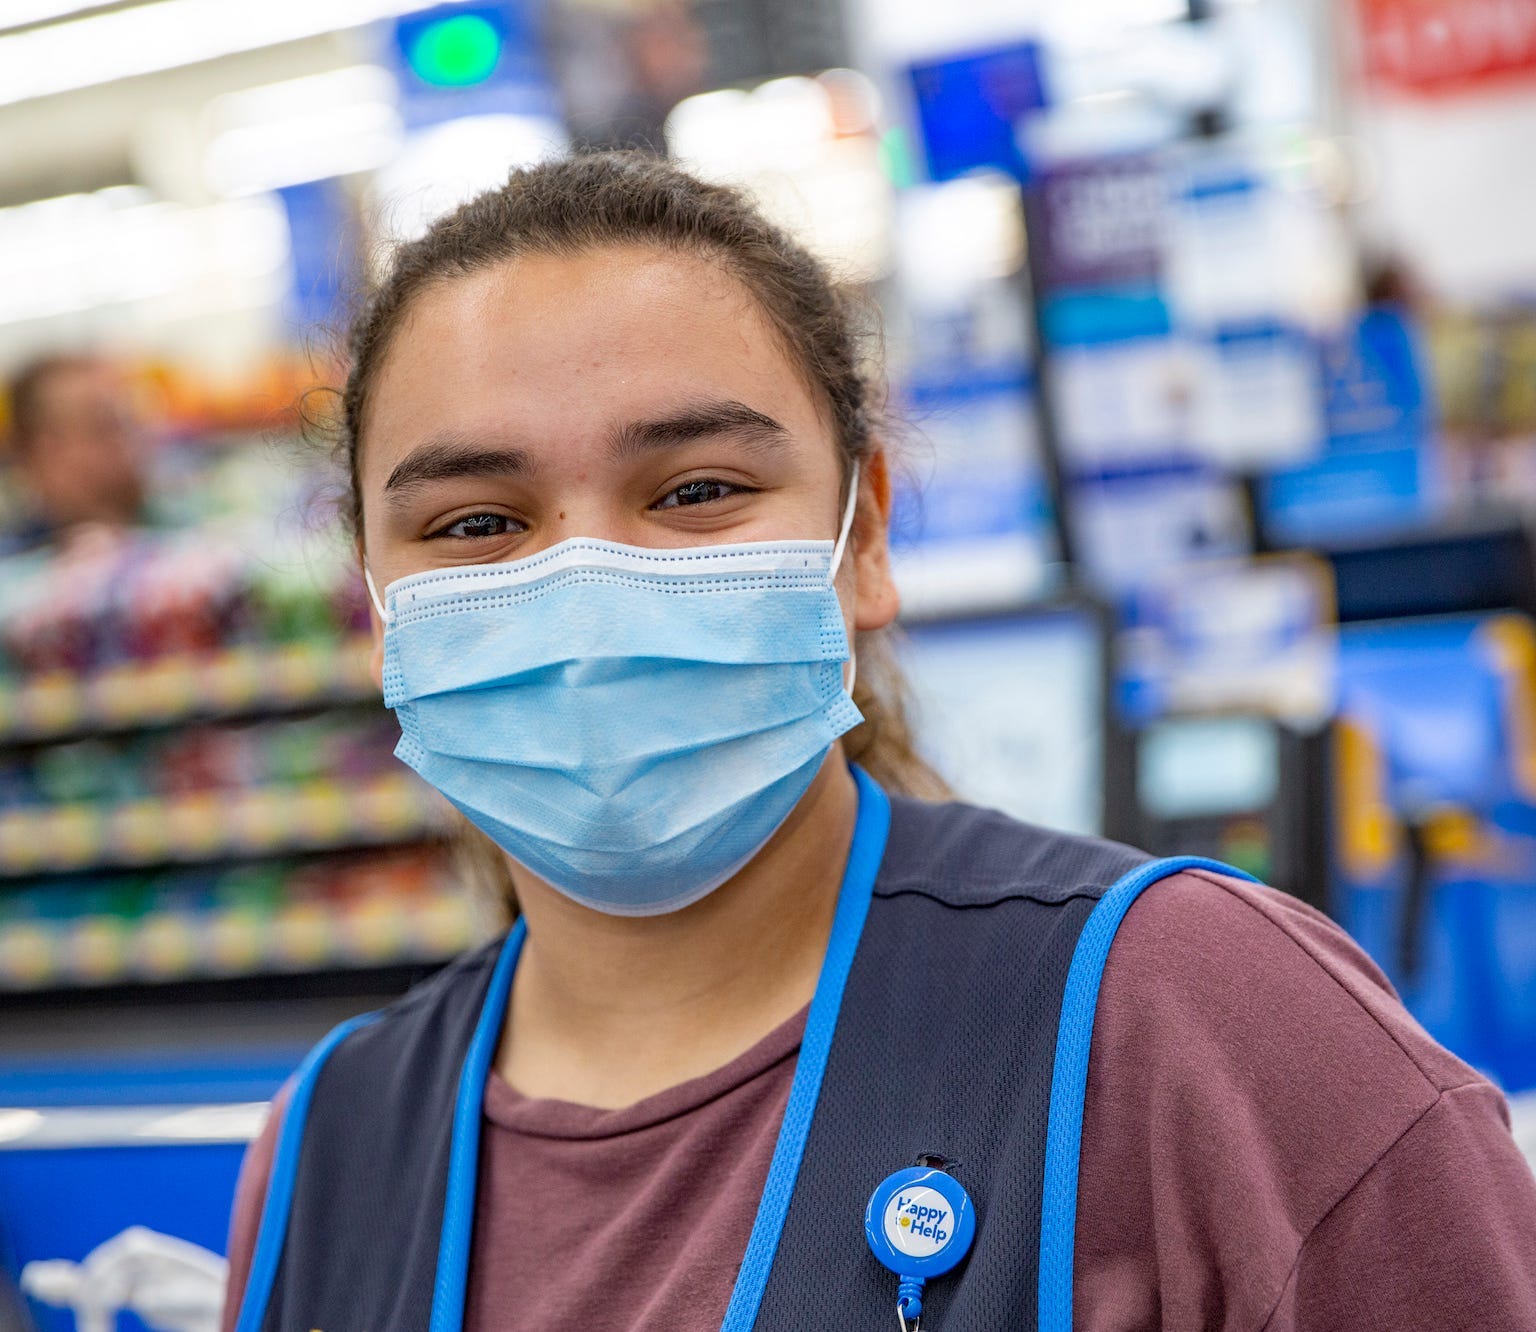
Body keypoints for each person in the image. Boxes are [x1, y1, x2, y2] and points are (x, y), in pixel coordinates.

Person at [221, 154, 1536, 1332]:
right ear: (378, 594)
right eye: (473, 525)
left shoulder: (1196, 1018)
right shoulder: (332, 1145)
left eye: (695, 493)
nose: (586, 592)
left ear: (862, 536)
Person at [4, 352, 149, 538]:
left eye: (126, 422)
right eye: (102, 425)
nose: (126, 443)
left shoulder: (185, 541)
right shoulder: (3, 563)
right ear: (34, 453)